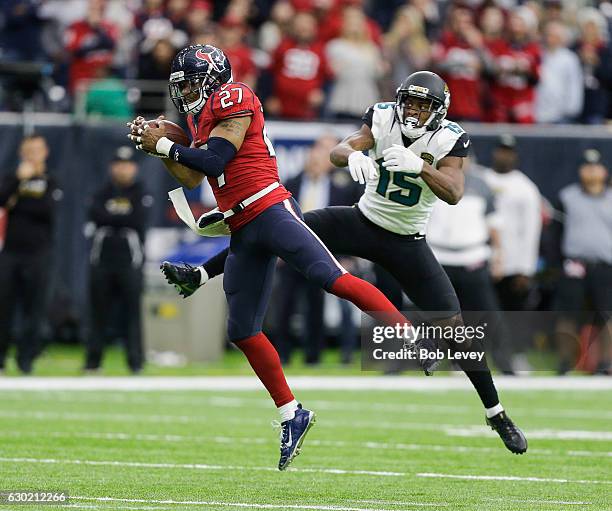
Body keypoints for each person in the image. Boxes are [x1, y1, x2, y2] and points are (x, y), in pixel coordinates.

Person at [163, 70, 528, 456]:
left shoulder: (450, 138)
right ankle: (203, 273)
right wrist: (353, 154)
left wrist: (420, 166)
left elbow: (454, 191)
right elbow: (341, 150)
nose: (415, 112)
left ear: (439, 111)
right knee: (284, 227)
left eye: (424, 106)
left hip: (407, 241)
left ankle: (496, 412)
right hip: (361, 221)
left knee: (454, 328)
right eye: (411, 103)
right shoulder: (383, 116)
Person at [127, 44, 423, 470]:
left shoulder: (235, 96)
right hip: (242, 224)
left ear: (211, 79)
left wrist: (167, 147)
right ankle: (291, 413)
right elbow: (193, 173)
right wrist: (162, 150)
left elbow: (215, 159)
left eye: (191, 82)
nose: (186, 92)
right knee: (244, 331)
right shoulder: (199, 114)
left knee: (330, 277)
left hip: (270, 207)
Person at [272, 134, 362, 364]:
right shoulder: (291, 183)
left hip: (323, 254)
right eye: (316, 153)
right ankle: (282, 354)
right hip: (292, 254)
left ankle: (314, 355)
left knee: (316, 305)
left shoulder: (342, 187)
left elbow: (348, 225)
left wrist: (347, 256)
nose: (317, 160)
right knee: (284, 305)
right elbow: (279, 217)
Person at [427, 155, 514, 373]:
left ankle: (506, 364)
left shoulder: (481, 184)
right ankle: (407, 363)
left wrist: (498, 255)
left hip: (472, 257)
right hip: (438, 256)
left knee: (488, 313)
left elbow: (493, 223)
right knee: (427, 313)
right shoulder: (430, 178)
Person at [85, 146, 152, 374]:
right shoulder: (102, 191)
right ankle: (93, 362)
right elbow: (95, 214)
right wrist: (120, 217)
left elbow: (137, 219)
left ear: (134, 168)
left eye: (127, 165)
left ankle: (136, 363)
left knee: (132, 312)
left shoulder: (141, 191)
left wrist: (112, 217)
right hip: (102, 259)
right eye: (119, 164)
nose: (123, 169)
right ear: (112, 167)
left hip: (129, 260)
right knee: (97, 312)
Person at [0, 134, 62, 374]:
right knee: (4, 306)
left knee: (34, 308)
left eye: (37, 150)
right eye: (29, 151)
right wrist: (18, 180)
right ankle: (1, 358)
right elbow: (2, 199)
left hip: (39, 254)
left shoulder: (51, 180)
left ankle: (26, 359)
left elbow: (47, 210)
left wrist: (20, 202)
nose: (33, 155)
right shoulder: (11, 177)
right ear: (21, 154)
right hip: (11, 252)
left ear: (45, 152)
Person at [482, 135, 542, 370]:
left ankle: (516, 355)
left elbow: (531, 230)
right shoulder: (481, 179)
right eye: (500, 151)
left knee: (513, 314)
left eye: (508, 151)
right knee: (479, 312)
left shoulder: (525, 187)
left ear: (515, 156)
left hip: (514, 263)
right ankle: (476, 358)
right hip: (482, 259)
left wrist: (526, 268)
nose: (503, 156)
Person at [553, 149, 612, 374]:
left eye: (596, 166)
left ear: (604, 171)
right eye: (587, 166)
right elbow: (555, 234)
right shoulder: (567, 196)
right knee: (567, 315)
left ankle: (606, 364)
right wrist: (556, 264)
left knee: (608, 314)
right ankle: (564, 363)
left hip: (605, 265)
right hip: (574, 265)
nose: (591, 171)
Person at [535, 21, 583, 124]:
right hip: (538, 113)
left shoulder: (569, 58)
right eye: (548, 35)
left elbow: (574, 85)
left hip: (561, 115)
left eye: (554, 36)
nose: (550, 39)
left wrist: (571, 109)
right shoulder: (538, 54)